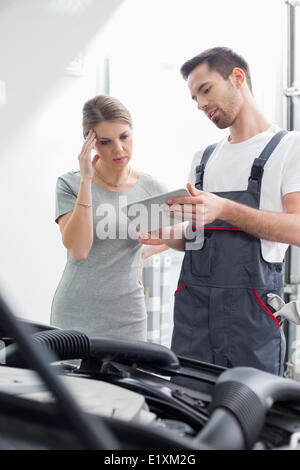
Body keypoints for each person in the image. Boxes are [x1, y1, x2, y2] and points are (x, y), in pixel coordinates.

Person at [138, 47, 300, 377]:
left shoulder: (289, 148)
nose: (200, 105)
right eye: (194, 98)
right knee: (184, 412)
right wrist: (159, 237)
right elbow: (197, 239)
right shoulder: (203, 158)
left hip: (250, 324)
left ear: (237, 78)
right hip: (193, 319)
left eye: (206, 90)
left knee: (249, 418)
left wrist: (224, 208)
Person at [51, 95, 168, 340]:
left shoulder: (151, 187)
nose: (118, 149)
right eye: (105, 142)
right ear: (90, 143)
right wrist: (86, 181)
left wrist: (143, 253)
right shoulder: (70, 183)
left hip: (129, 317)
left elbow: (177, 235)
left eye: (124, 136)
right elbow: (79, 249)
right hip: (75, 314)